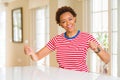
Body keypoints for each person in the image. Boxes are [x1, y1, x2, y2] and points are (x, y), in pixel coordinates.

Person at [24, 6, 110, 72]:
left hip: (82, 77)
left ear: (74, 19)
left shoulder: (87, 37)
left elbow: (107, 59)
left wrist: (96, 49)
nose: (68, 23)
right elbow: (37, 57)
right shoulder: (56, 40)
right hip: (63, 77)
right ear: (60, 24)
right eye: (64, 21)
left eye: (70, 19)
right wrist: (31, 53)